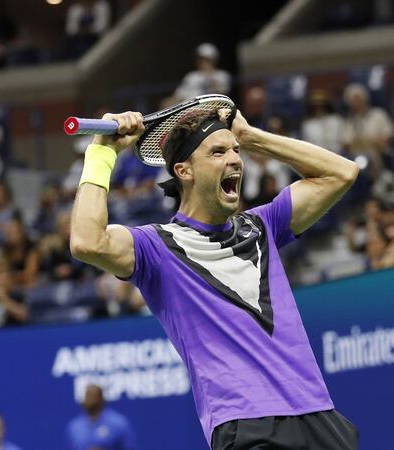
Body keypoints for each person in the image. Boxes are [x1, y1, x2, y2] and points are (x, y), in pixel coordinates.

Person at [69, 108, 360, 449]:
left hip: (319, 414)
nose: (236, 159)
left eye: (236, 150)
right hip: (249, 425)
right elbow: (87, 241)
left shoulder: (263, 225)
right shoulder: (156, 248)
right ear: (184, 171)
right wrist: (102, 151)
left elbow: (342, 173)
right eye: (218, 152)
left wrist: (252, 137)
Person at [66, 384, 137, 450]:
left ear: (102, 399)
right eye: (87, 396)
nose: (89, 400)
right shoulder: (74, 426)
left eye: (93, 396)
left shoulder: (119, 423)